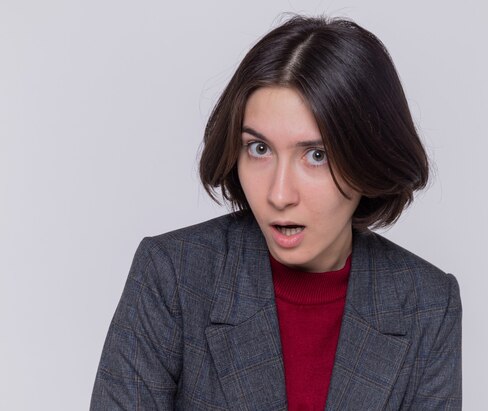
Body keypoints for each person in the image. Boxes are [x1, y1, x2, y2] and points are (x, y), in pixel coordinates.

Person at [90, 15, 462, 410]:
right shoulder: (174, 276)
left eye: (316, 156)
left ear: (368, 159)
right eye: (259, 149)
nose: (279, 194)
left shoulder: (428, 303)